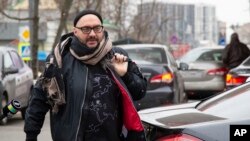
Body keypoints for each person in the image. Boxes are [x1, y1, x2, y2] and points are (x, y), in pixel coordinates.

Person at [24, 9, 147, 141]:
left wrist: (125, 75)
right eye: (86, 29)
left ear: (103, 29)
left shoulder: (117, 56)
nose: (93, 34)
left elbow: (140, 91)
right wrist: (31, 134)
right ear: (75, 31)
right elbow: (39, 99)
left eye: (97, 28)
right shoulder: (60, 60)